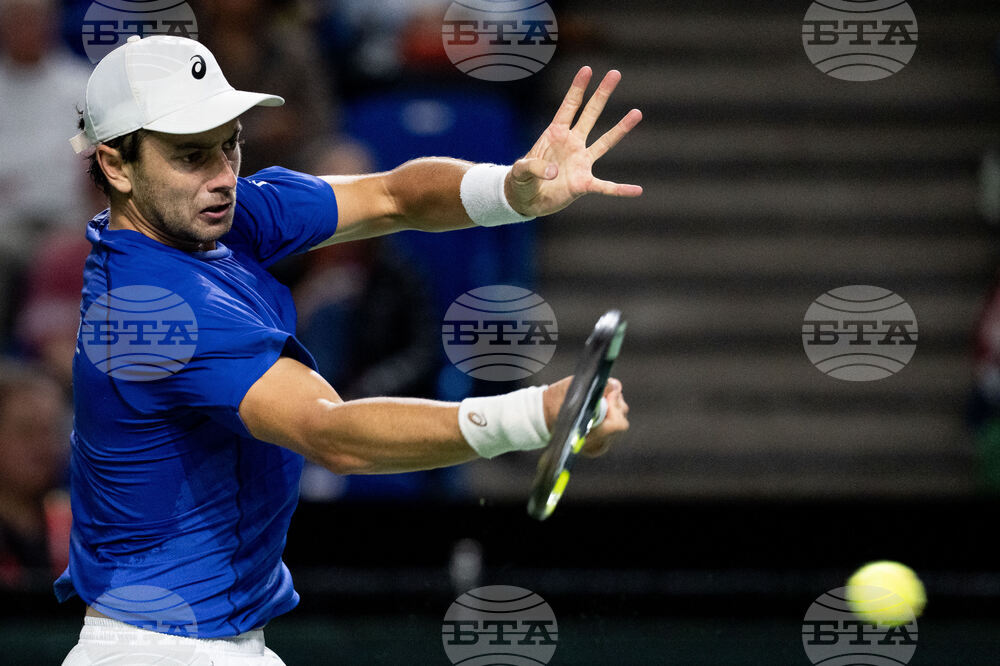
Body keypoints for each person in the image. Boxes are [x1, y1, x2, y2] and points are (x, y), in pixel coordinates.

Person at [58, 35, 639, 664]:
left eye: (230, 144)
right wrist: (536, 416)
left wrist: (511, 191)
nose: (223, 176)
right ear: (116, 165)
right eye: (191, 155)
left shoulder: (212, 218)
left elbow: (392, 195)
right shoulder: (154, 310)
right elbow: (332, 433)